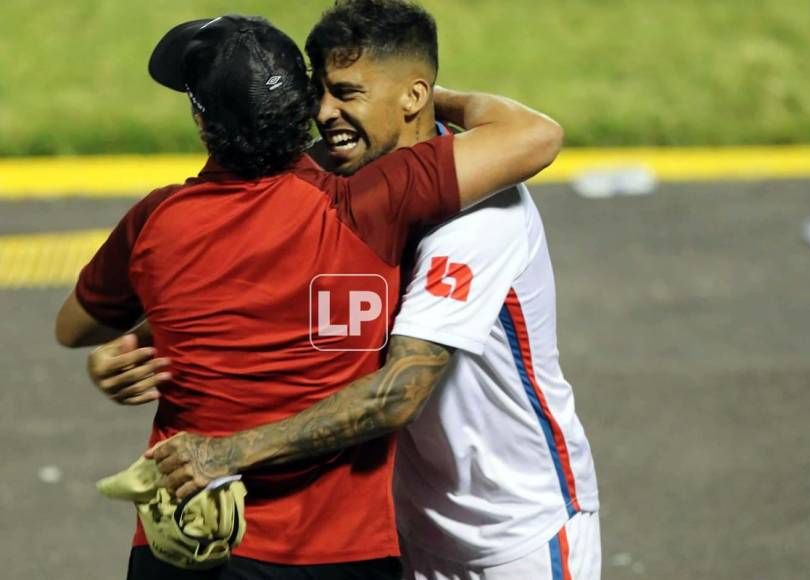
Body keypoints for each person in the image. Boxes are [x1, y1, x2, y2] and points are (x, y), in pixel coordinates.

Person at [84, 2, 600, 579]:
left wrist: (227, 452)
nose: (323, 112)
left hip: (508, 536)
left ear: (413, 97)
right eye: (319, 91)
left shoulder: (477, 221)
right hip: (401, 527)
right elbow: (256, 284)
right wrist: (140, 343)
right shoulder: (336, 184)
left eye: (347, 92)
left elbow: (399, 394)